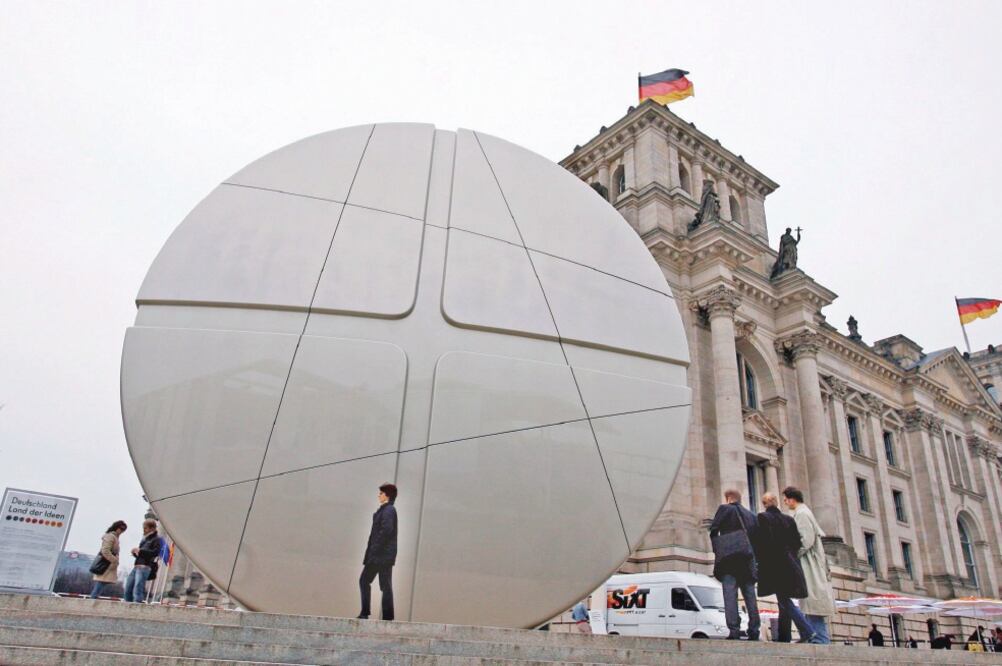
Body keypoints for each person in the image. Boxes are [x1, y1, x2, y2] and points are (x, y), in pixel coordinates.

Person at [753, 493, 816, 643]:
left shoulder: (762, 518)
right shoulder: (788, 519)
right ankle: (784, 637)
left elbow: (762, 543)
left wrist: (758, 561)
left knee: (783, 599)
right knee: (784, 599)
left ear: (764, 504)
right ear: (776, 503)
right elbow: (796, 543)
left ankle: (806, 630)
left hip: (774, 565)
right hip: (790, 564)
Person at [782, 486, 835, 644]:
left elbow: (806, 539)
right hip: (810, 563)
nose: (784, 502)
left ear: (792, 499)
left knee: (812, 601)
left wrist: (793, 556)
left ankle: (819, 640)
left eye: (785, 499)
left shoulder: (802, 514)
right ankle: (817, 638)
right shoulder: (803, 512)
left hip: (809, 564)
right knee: (811, 603)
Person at [709, 488, 760, 640]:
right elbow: (757, 538)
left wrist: (717, 549)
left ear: (728, 498)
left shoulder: (724, 509)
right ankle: (754, 630)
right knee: (750, 596)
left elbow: (713, 530)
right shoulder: (751, 515)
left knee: (730, 595)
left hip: (729, 560)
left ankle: (734, 630)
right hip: (747, 560)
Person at [358, 482, 398, 621]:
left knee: (365, 581)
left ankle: (365, 613)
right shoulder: (385, 510)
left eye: (381, 493)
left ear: (387, 495)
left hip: (380, 556)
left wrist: (374, 550)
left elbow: (386, 531)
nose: (378, 495)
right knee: (385, 585)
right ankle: (386, 616)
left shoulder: (388, 511)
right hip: (382, 555)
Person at [123, 519, 163, 603]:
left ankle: (137, 606)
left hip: (145, 567)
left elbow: (155, 553)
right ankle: (127, 605)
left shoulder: (157, 539)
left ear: (152, 528)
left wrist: (140, 551)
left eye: (146, 528)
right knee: (128, 587)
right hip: (137, 566)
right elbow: (142, 554)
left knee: (138, 588)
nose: (144, 530)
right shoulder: (144, 539)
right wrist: (135, 553)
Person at [89, 520, 126, 598]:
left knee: (101, 583)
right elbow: (105, 551)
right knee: (101, 583)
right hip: (106, 564)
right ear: (117, 528)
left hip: (108, 564)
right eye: (122, 529)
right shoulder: (111, 536)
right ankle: (92, 600)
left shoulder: (114, 537)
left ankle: (93, 599)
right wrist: (114, 560)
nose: (122, 532)